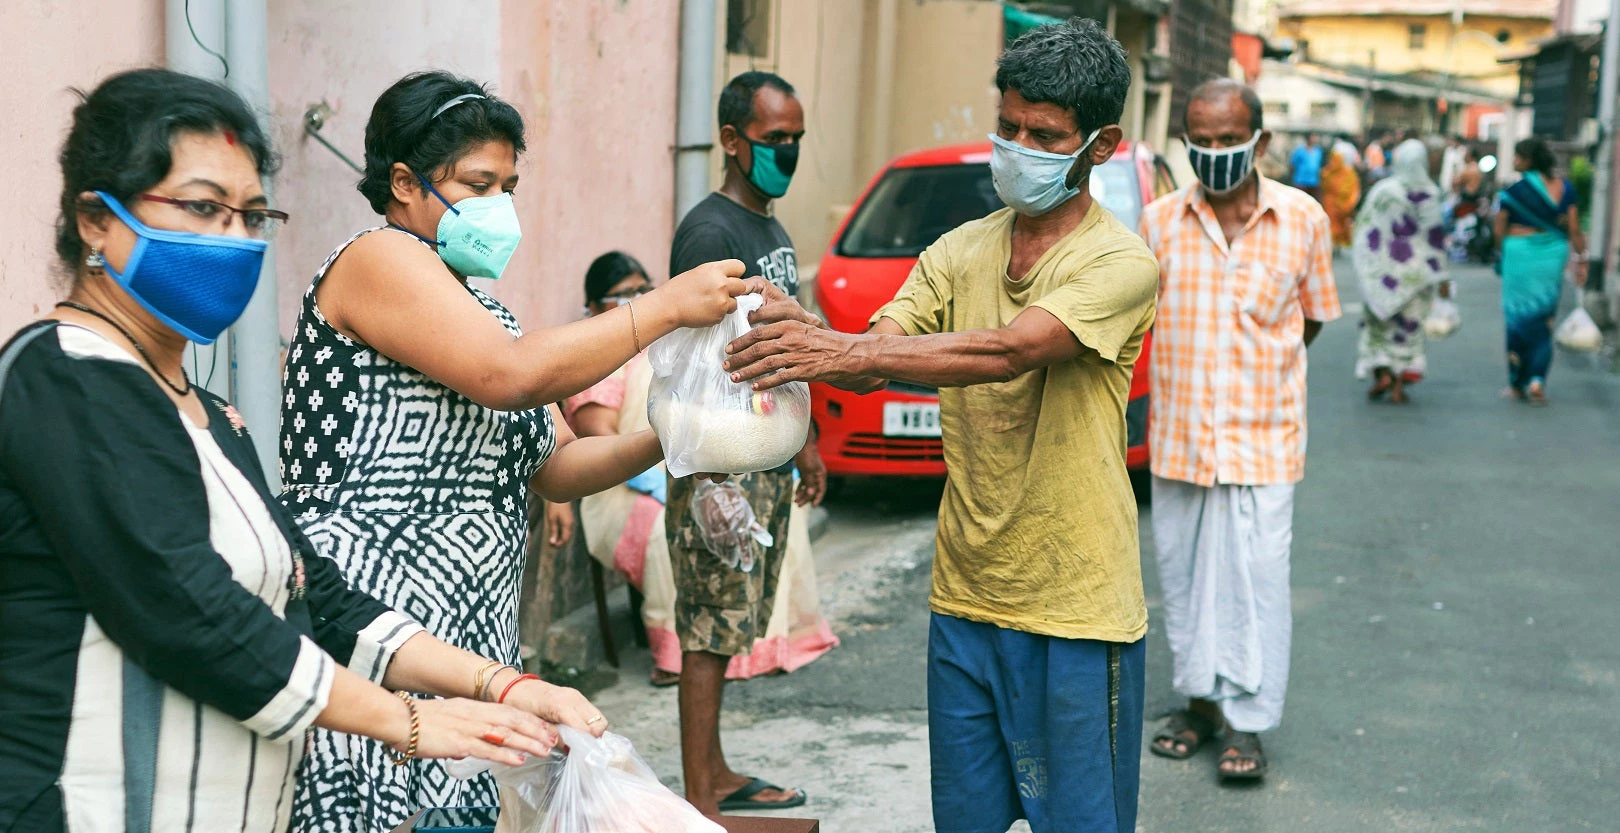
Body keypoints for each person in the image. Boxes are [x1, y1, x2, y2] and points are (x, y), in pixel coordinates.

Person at [0, 68, 607, 833]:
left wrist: (501, 684)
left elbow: (317, 598)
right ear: (95, 219)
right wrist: (410, 722)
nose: (231, 238)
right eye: (200, 206)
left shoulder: (213, 417)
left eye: (250, 214)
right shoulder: (66, 376)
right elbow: (192, 614)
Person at [279, 72, 749, 832]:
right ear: (403, 182)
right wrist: (661, 308)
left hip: (471, 644)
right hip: (373, 633)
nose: (499, 204)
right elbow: (509, 376)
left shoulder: (483, 308)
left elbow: (555, 465)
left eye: (509, 185)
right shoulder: (375, 259)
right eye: (478, 183)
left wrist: (677, 437)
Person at [723, 19, 1157, 832]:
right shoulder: (960, 248)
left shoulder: (1121, 262)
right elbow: (885, 348)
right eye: (1008, 127)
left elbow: (1011, 350)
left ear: (1101, 146)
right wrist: (818, 341)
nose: (1018, 147)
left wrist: (834, 346)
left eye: (1044, 135)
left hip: (1077, 607)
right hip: (966, 595)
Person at [1137, 78, 1341, 782]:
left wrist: (1257, 368)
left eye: (1230, 140)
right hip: (1181, 439)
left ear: (1261, 141)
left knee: (1256, 585)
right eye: (1202, 141)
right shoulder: (1159, 221)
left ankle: (1248, 725)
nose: (1215, 152)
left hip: (1264, 439)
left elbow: (1308, 319)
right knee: (1185, 578)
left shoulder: (1305, 219)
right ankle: (1198, 704)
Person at [663, 70, 827, 816]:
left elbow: (785, 349)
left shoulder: (768, 226)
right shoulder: (710, 231)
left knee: (734, 625)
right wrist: (708, 483)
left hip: (763, 456)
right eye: (772, 140)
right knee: (707, 626)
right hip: (721, 465)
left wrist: (808, 441)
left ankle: (719, 771)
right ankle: (701, 798)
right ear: (732, 140)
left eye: (794, 138)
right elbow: (694, 366)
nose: (786, 152)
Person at [563, 251, 838, 689]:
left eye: (640, 289)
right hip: (624, 488)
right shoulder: (601, 363)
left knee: (776, 521)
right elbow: (596, 440)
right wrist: (669, 458)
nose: (633, 299)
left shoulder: (673, 346)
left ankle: (766, 643)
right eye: (619, 296)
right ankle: (674, 654)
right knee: (665, 537)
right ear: (593, 307)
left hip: (679, 463)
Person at [1353, 139, 1450, 403]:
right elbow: (1435, 239)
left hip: (1382, 276)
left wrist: (1368, 268)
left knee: (1378, 327)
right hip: (1415, 277)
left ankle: (1381, 372)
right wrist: (1442, 277)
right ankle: (1397, 386)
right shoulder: (1429, 193)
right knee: (1406, 331)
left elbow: (1363, 230)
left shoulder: (1383, 190)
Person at [1493, 136, 1588, 405]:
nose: (1515, 161)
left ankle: (1517, 382)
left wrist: (1502, 252)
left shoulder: (1514, 191)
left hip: (1520, 255)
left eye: (1519, 157)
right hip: (1552, 256)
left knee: (1516, 319)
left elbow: (1500, 226)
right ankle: (1537, 381)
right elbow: (1574, 228)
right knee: (1543, 319)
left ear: (1529, 160)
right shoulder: (1564, 188)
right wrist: (1581, 259)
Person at [1321, 145, 1361, 249]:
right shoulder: (1328, 172)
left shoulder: (1349, 174)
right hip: (1330, 205)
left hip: (1342, 207)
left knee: (1341, 228)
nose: (1332, 162)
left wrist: (1347, 205)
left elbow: (1353, 191)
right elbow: (1325, 187)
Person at [1289, 133, 1324, 199]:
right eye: (1312, 137)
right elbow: (1293, 164)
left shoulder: (1318, 151)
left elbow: (1319, 165)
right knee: (1300, 199)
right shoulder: (1300, 151)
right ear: (1308, 139)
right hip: (1301, 181)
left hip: (1314, 181)